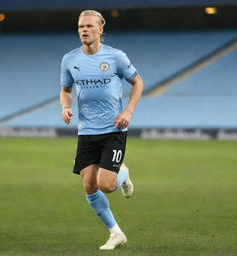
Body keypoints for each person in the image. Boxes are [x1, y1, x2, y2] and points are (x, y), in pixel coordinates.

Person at [60, 10, 143, 250]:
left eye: (88, 26)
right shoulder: (70, 59)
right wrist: (65, 107)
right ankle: (116, 233)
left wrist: (127, 112)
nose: (83, 30)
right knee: (89, 184)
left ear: (100, 30)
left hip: (113, 129)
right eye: (80, 26)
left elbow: (137, 82)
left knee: (106, 184)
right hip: (86, 131)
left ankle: (123, 174)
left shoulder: (115, 57)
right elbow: (66, 89)